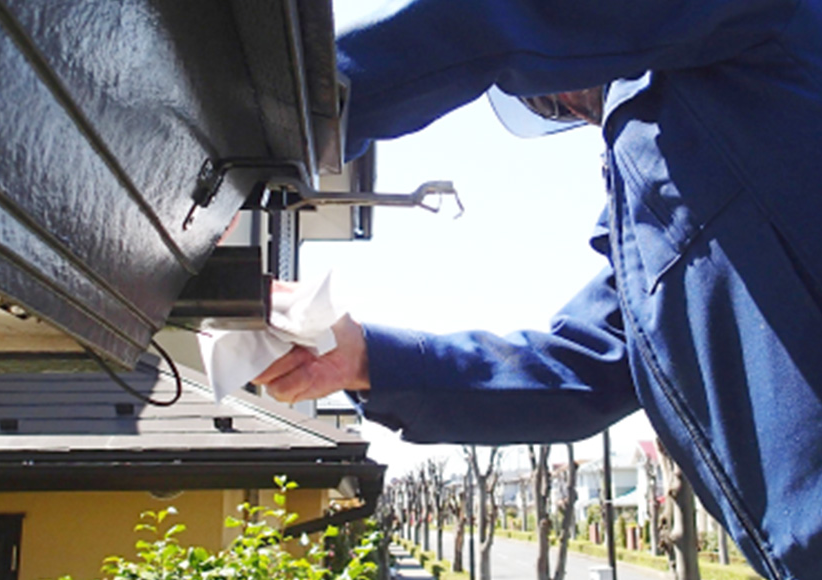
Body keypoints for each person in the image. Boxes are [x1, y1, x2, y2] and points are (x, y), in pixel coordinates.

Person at [254, 1, 822, 578]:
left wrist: (265, 118)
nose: (572, 104)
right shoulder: (661, 193)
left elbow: (498, 20)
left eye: (551, 92)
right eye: (549, 105)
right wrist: (364, 359)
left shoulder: (758, 34)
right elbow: (584, 370)